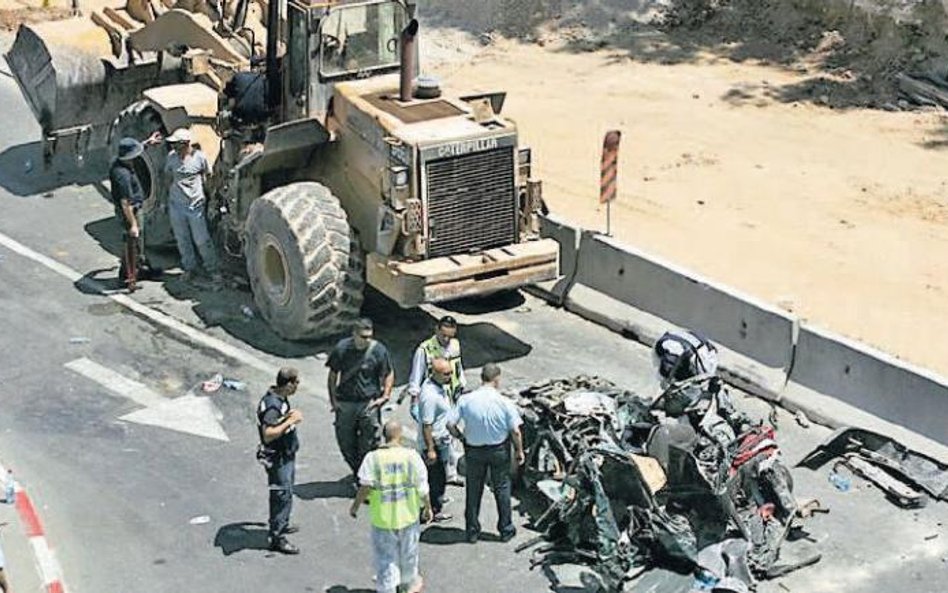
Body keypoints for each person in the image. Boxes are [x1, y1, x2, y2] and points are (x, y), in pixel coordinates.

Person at [351, 420, 431, 593]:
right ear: (400, 435)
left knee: (386, 558)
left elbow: (365, 486)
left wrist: (355, 506)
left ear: (383, 436)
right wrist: (428, 508)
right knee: (409, 554)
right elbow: (422, 487)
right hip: (408, 515)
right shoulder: (411, 457)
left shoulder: (372, 458)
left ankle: (387, 588)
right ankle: (407, 586)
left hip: (383, 518)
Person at [448, 363, 524, 544]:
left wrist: (461, 437)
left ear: (481, 377)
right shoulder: (504, 402)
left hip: (473, 450)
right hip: (499, 450)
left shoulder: (466, 400)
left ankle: (472, 531)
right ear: (497, 379)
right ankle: (505, 529)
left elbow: (450, 424)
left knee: (473, 490)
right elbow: (515, 431)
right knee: (502, 488)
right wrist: (519, 451)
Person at [328, 318, 395, 482]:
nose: (367, 340)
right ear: (354, 335)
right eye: (363, 337)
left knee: (370, 443)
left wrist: (385, 396)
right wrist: (334, 401)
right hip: (346, 403)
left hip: (369, 403)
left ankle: (365, 478)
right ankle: (358, 471)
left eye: (369, 336)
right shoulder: (342, 348)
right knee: (345, 442)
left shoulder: (378, 350)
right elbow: (333, 375)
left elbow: (388, 373)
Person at [406, 315, 466, 485]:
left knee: (449, 436)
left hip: (450, 396)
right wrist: (414, 399)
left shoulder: (454, 346)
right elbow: (416, 376)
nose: (446, 339)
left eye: (450, 336)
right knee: (427, 436)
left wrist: (462, 384)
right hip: (431, 398)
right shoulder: (425, 349)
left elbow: (458, 367)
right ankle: (422, 476)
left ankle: (450, 474)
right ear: (436, 330)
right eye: (443, 335)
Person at [163, 128, 222, 287]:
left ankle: (213, 270)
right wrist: (165, 201)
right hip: (176, 206)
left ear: (185, 144)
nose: (174, 147)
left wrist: (211, 202)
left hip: (195, 206)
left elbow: (209, 178)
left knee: (202, 240)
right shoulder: (171, 158)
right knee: (182, 239)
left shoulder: (200, 158)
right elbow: (167, 178)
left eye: (176, 144)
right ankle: (189, 268)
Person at [257, 367, 303, 554]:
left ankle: (281, 523)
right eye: (297, 382)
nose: (298, 386)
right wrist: (290, 422)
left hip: (286, 454)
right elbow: (268, 434)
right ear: (289, 383)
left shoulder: (279, 398)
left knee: (286, 491)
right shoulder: (272, 405)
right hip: (278, 457)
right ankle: (277, 537)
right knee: (281, 494)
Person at [110, 133, 162, 291]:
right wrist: (132, 224)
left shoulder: (121, 163)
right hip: (130, 212)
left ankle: (137, 270)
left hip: (134, 209)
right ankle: (128, 277)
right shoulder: (122, 176)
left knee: (137, 243)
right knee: (133, 244)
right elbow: (125, 203)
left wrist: (147, 142)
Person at [418, 358, 455, 522]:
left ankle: (436, 501)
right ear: (436, 373)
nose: (450, 376)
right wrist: (431, 449)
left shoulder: (438, 387)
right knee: (436, 478)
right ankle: (433, 510)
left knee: (439, 476)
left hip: (442, 440)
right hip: (435, 443)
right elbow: (427, 424)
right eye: (447, 374)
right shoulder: (430, 396)